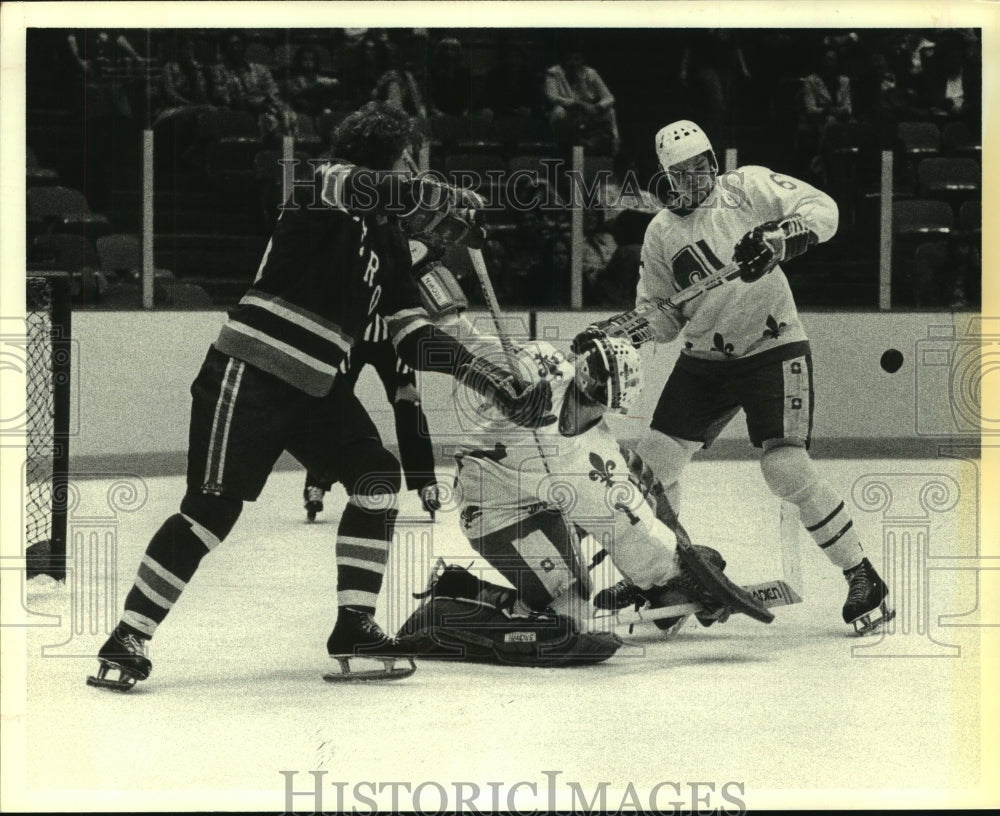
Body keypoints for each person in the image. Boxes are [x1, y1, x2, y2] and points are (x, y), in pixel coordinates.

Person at [88, 102, 553, 691]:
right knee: (210, 512)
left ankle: (354, 625)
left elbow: (414, 335)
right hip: (251, 370)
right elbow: (362, 184)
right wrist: (434, 193)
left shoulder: (388, 243)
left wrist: (491, 380)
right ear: (381, 157)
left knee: (377, 479)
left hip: (316, 389)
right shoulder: (322, 183)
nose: (414, 172)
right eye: (407, 160)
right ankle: (128, 635)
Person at [573, 119, 894, 636]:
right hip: (706, 360)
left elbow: (823, 210)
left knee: (785, 468)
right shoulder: (660, 232)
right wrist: (635, 326)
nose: (695, 177)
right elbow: (663, 314)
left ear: (713, 164)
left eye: (702, 166)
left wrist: (782, 238)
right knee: (650, 470)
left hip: (773, 345)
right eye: (682, 171)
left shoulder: (745, 187)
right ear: (666, 176)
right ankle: (664, 577)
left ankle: (862, 575)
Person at [398, 335, 770, 666]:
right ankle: (441, 620)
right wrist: (499, 388)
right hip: (493, 510)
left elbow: (629, 525)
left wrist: (676, 571)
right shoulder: (541, 374)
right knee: (571, 607)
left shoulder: (592, 452)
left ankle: (465, 590)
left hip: (539, 500)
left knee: (572, 598)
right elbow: (468, 343)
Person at [302, 240, 459, 523]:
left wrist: (403, 377)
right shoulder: (355, 241)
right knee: (330, 404)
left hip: (394, 338)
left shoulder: (401, 243)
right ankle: (318, 480)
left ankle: (425, 483)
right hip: (352, 335)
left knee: (409, 404)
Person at [542, 46, 619, 156]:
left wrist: (597, 107)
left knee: (610, 112)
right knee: (559, 112)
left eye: (577, 59)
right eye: (569, 59)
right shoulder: (553, 73)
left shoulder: (590, 73)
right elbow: (552, 97)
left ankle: (614, 147)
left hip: (587, 114)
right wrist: (579, 104)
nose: (573, 63)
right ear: (563, 61)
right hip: (566, 114)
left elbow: (609, 98)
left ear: (582, 61)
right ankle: (563, 147)